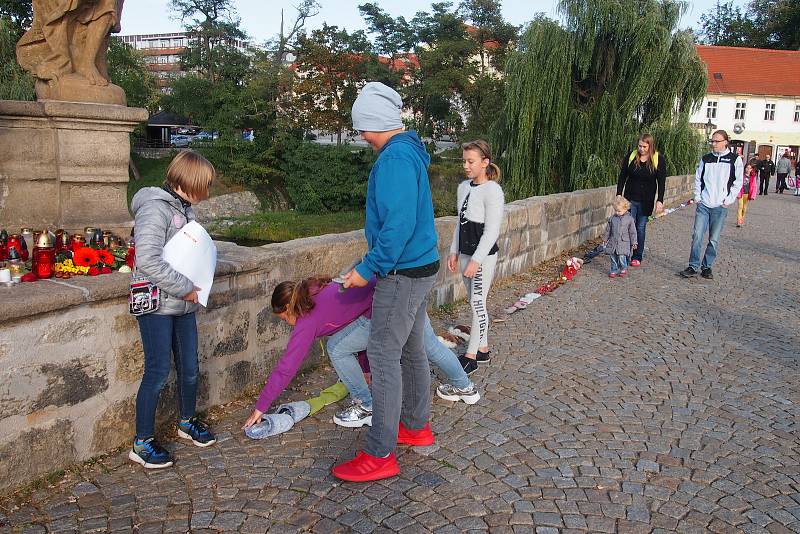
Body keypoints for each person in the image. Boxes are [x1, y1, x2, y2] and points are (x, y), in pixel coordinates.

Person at [333, 82, 441, 482]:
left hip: (401, 273)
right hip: (420, 267)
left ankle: (380, 453)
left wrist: (369, 267)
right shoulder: (408, 151)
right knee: (411, 350)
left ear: (374, 122)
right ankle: (415, 427)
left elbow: (397, 225)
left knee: (382, 355)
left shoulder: (394, 159)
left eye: (361, 127)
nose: (361, 135)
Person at [241, 277, 480, 430]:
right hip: (403, 291)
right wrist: (365, 369)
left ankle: (367, 405)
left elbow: (286, 367)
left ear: (288, 308)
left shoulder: (307, 321)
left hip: (385, 307)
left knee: (336, 347)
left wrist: (260, 407)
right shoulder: (315, 290)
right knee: (431, 346)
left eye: (284, 318)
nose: (287, 323)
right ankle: (465, 387)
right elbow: (356, 319)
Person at [128, 150, 217, 469]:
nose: (208, 190)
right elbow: (147, 261)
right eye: (205, 184)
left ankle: (186, 421)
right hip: (156, 304)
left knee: (190, 367)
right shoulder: (154, 208)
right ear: (191, 181)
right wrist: (187, 289)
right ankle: (142, 442)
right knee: (157, 371)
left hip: (183, 305)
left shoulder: (185, 209)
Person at [448, 140, 505, 375]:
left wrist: (476, 260)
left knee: (477, 303)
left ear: (485, 162)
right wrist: (453, 250)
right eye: (464, 161)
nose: (466, 166)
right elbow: (459, 223)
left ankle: (470, 356)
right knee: (475, 300)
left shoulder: (493, 190)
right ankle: (483, 348)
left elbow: (492, 231)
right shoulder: (463, 188)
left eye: (471, 161)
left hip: (481, 257)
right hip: (465, 252)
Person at [680, 130, 743, 280]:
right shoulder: (706, 159)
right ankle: (693, 265)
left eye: (717, 141)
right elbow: (698, 178)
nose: (713, 144)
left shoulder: (734, 160)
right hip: (704, 204)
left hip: (720, 205)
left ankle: (707, 266)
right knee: (697, 235)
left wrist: (728, 200)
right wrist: (698, 196)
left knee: (713, 238)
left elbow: (738, 182)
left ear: (725, 142)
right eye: (712, 141)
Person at [615, 133, 666, 266]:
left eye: (644, 146)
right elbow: (623, 176)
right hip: (629, 198)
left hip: (646, 200)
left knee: (640, 228)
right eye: (639, 146)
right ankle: (624, 254)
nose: (641, 149)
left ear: (650, 146)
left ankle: (637, 256)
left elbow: (661, 182)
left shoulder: (657, 158)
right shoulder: (631, 156)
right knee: (626, 227)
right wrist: (619, 194)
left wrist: (660, 200)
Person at [602, 196, 637, 278]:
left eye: (619, 211)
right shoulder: (612, 219)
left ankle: (623, 268)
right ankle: (614, 269)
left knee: (621, 256)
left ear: (626, 209)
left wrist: (634, 242)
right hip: (613, 241)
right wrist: (605, 239)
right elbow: (608, 230)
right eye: (616, 210)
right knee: (613, 256)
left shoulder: (629, 219)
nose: (617, 212)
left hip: (623, 242)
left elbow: (632, 232)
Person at [737, 162, 758, 227]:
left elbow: (754, 186)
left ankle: (742, 218)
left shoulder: (753, 177)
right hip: (741, 193)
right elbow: (737, 183)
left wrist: (753, 195)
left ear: (751, 169)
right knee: (740, 206)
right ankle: (739, 221)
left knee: (744, 208)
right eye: (747, 168)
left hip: (747, 194)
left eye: (749, 168)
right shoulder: (741, 175)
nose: (748, 169)